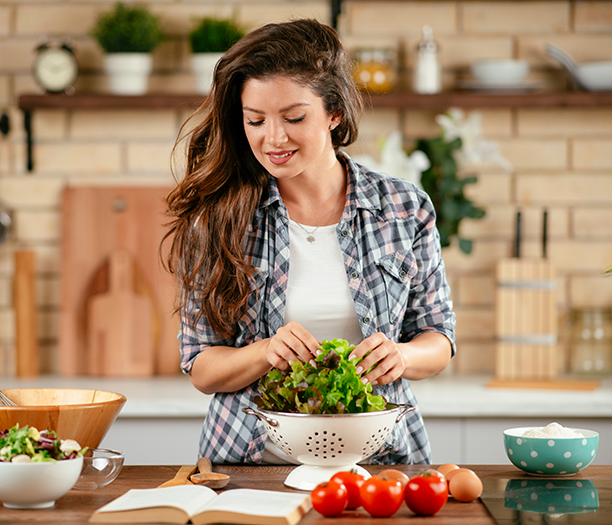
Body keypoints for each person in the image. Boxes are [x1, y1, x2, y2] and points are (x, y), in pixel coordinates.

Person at [163, 18, 455, 465]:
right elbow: (201, 368)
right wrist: (264, 352)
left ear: (334, 113)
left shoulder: (404, 206)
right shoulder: (218, 218)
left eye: (294, 117)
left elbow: (439, 339)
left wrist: (401, 355)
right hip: (249, 468)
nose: (272, 138)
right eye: (255, 120)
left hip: (380, 465)